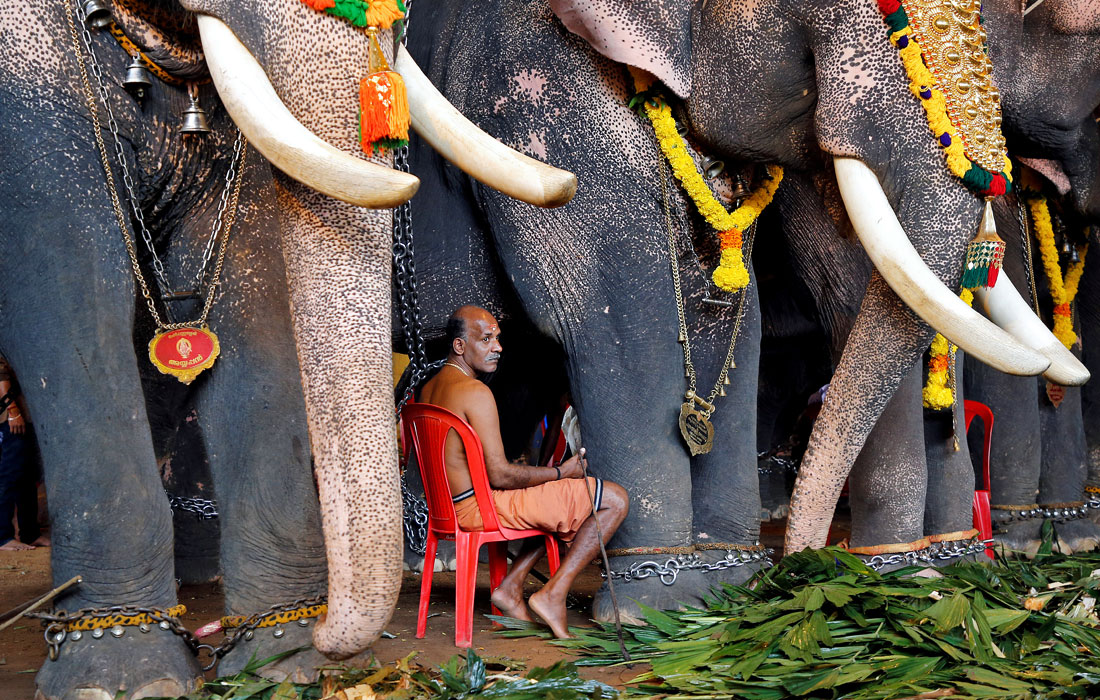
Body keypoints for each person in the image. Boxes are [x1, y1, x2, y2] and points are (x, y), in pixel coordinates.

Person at [419, 305, 629, 639]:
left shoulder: (429, 388)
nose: (497, 347)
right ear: (460, 346)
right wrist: (562, 472)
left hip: (449, 509)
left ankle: (511, 587)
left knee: (545, 505)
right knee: (614, 500)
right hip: (478, 509)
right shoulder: (475, 392)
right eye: (486, 339)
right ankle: (553, 594)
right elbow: (500, 476)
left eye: (498, 338)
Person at [0, 354, 47, 551]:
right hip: (10, 417)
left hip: (28, 414)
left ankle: (30, 533)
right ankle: (3, 537)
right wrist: (13, 412)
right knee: (9, 475)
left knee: (27, 475)